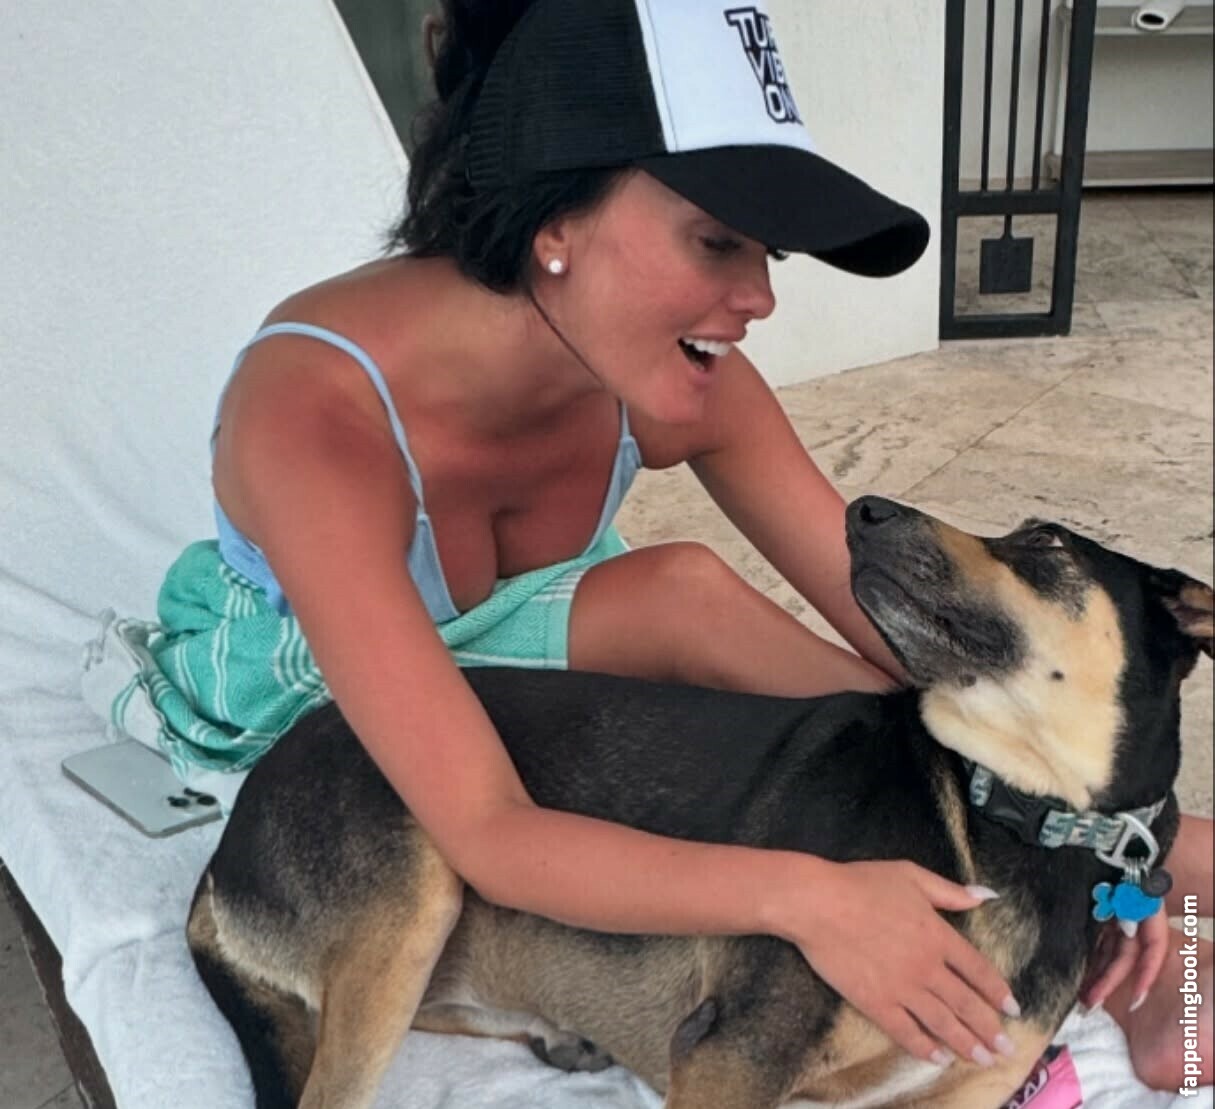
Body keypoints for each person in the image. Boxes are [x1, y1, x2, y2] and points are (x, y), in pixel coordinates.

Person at [119, 0, 1210, 1088]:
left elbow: (901, 626)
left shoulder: (677, 375)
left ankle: (1158, 873)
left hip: (510, 652)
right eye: (716, 240)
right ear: (556, 220)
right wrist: (811, 898)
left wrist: (1108, 836)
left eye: (766, 250)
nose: (760, 296)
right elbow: (487, 829)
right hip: (313, 694)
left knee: (775, 654)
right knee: (682, 618)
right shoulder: (314, 414)